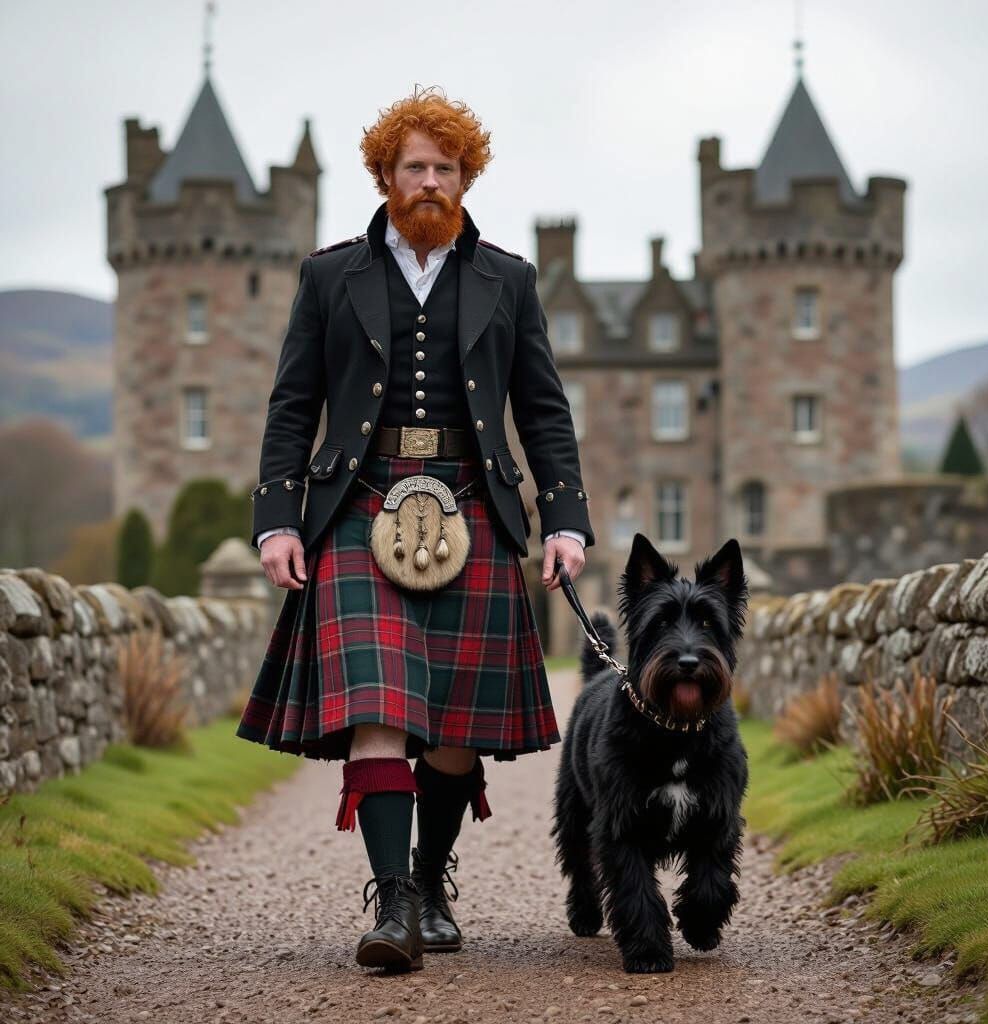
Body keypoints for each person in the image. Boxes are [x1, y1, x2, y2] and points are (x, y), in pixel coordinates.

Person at [235, 86, 594, 972]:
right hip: (360, 505)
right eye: (413, 167)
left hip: (473, 502)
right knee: (378, 705)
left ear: (467, 178)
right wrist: (278, 519)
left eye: (445, 168)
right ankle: (393, 901)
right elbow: (292, 405)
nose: (429, 181)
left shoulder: (509, 279)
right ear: (385, 176)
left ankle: (432, 882)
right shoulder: (330, 276)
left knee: (456, 724)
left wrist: (565, 520)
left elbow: (543, 410)